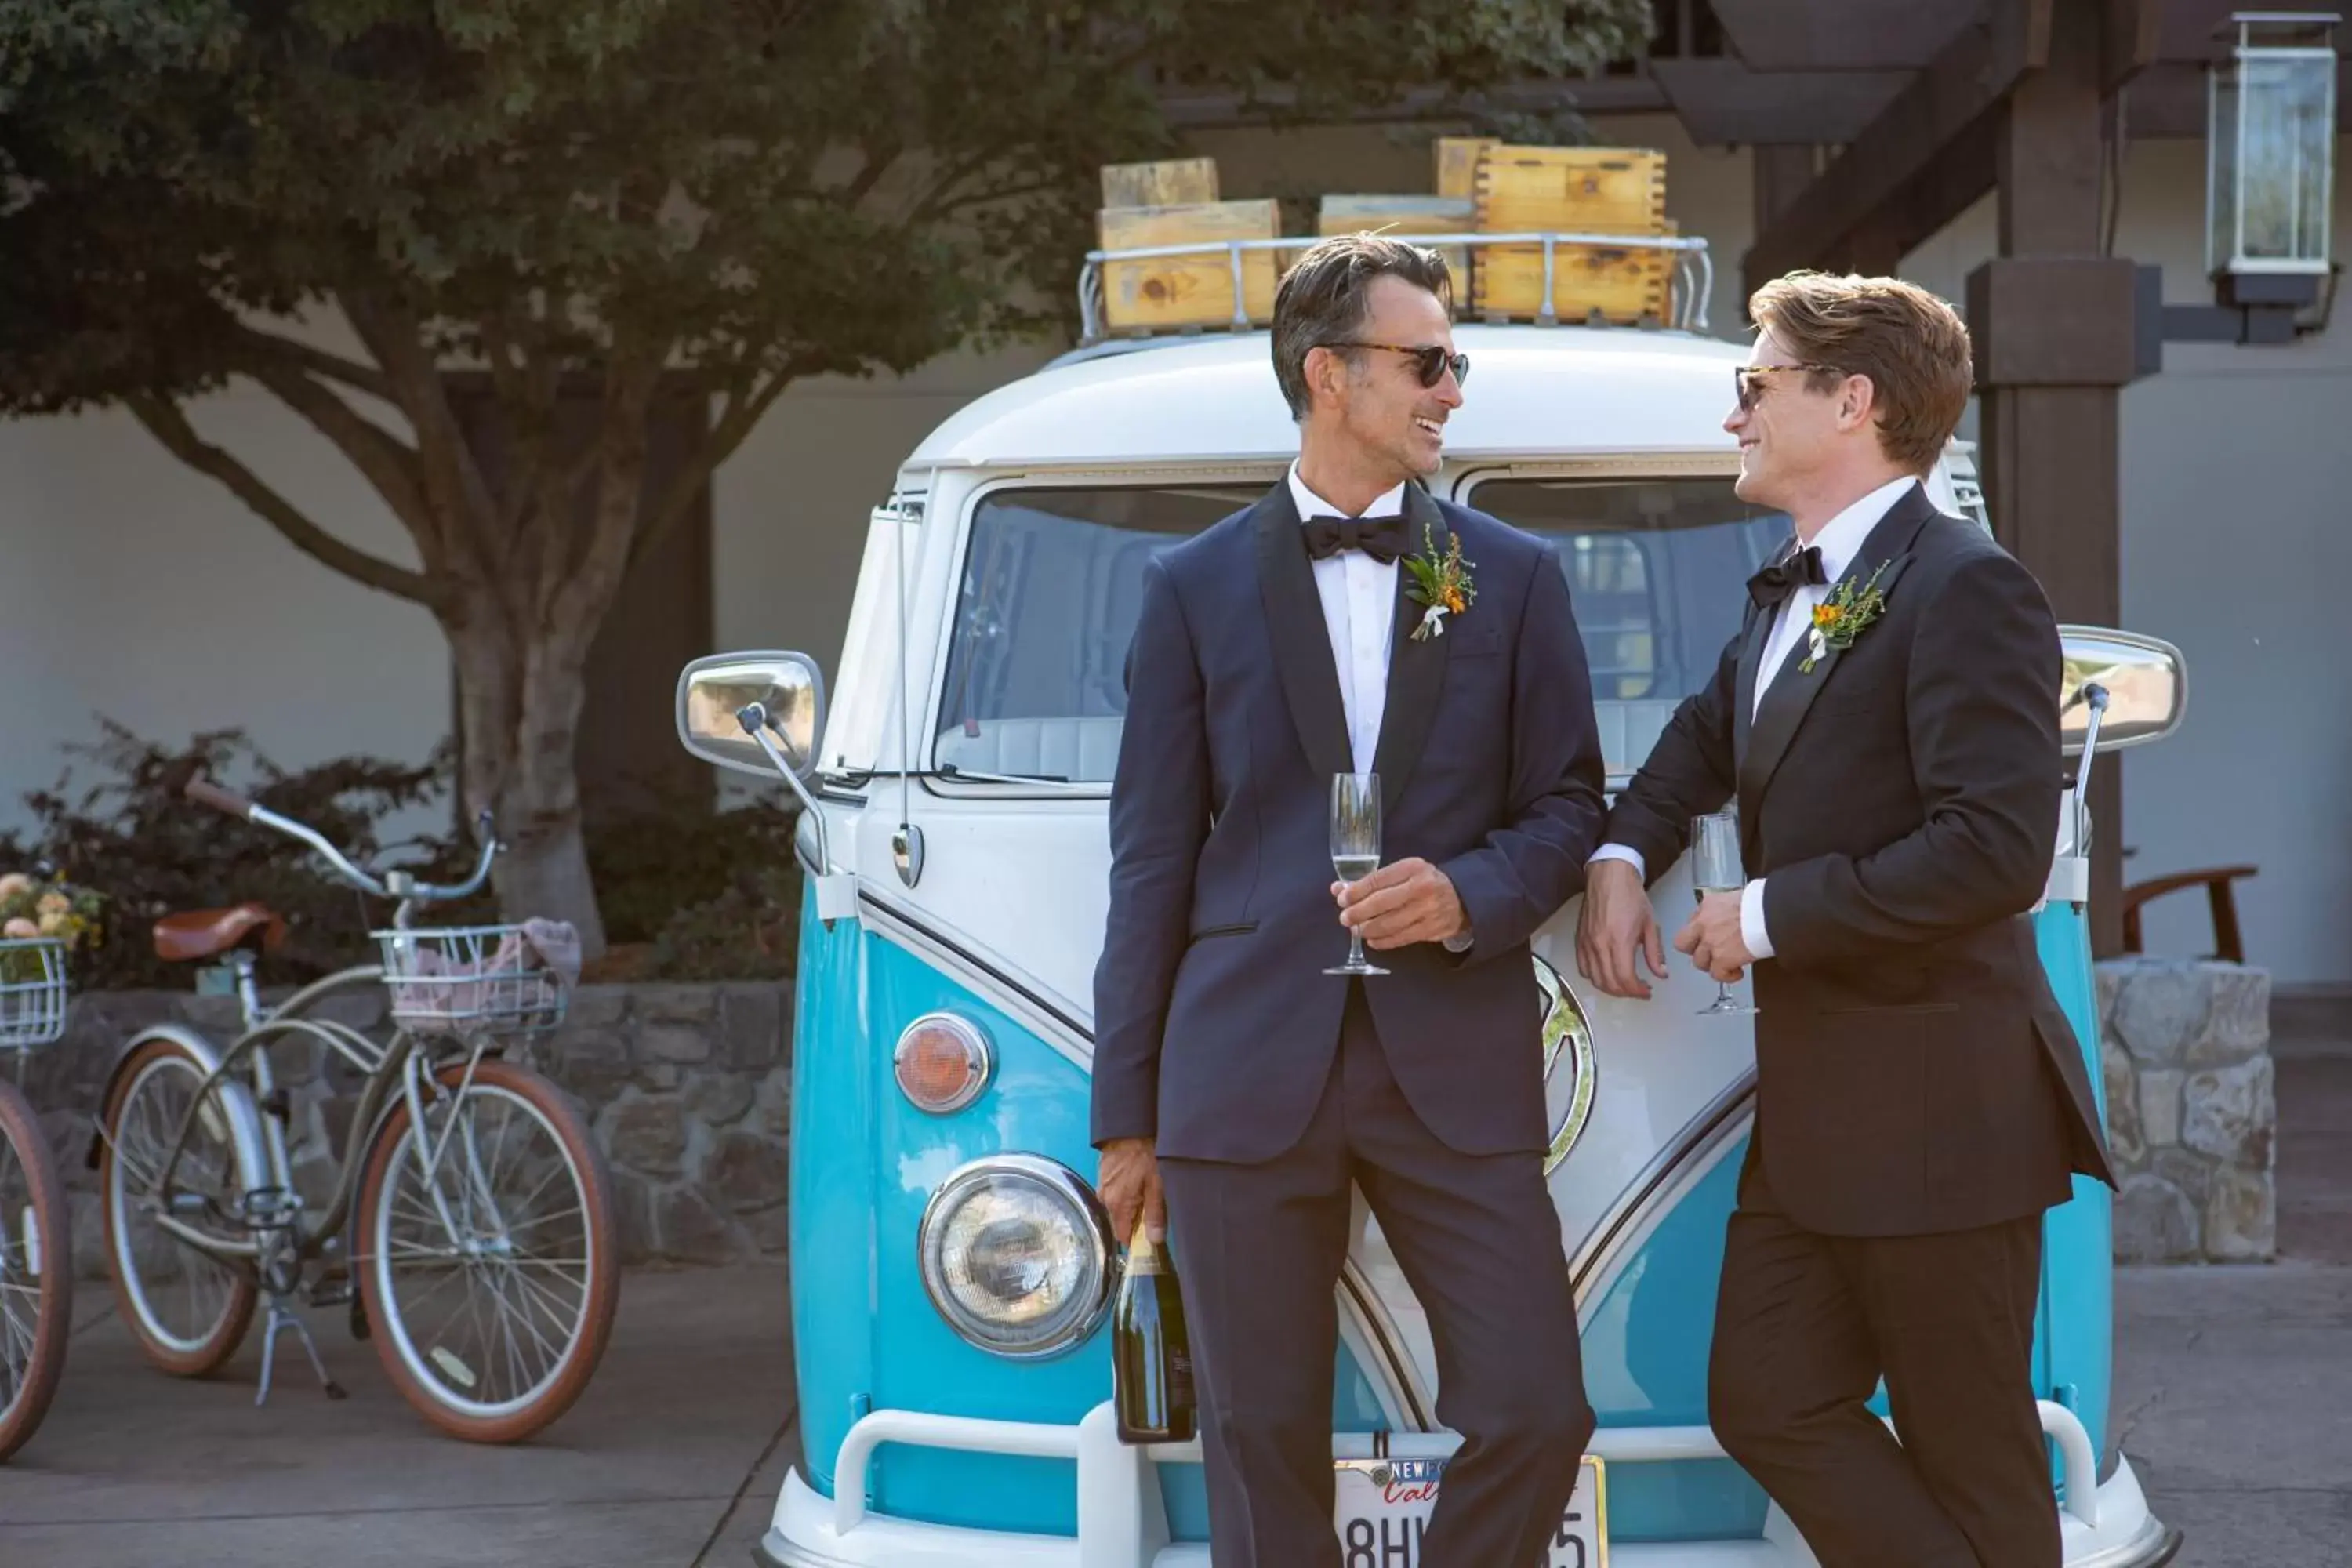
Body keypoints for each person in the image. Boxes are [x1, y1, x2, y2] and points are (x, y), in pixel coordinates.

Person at [1575, 270, 2118, 1568]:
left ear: (1853, 400)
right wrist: (1615, 851)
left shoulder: (1969, 587)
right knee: (1765, 1402)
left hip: (1944, 1115)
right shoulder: (1793, 584)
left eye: (1755, 385)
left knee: (1971, 1448)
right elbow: (1706, 740)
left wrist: (1760, 915)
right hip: (1821, 1119)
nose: (1735, 417)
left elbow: (1996, 851)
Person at [1091, 233, 1608, 1568]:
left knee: (1539, 1410)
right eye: (1427, 362)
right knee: (1258, 1446)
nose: (1452, 388)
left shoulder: (1516, 575)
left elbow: (1570, 807)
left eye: (1456, 361)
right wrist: (1126, 1114)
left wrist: (1467, 895)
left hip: (1458, 1065)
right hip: (1239, 1071)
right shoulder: (1189, 587)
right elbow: (1149, 858)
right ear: (1329, 375)